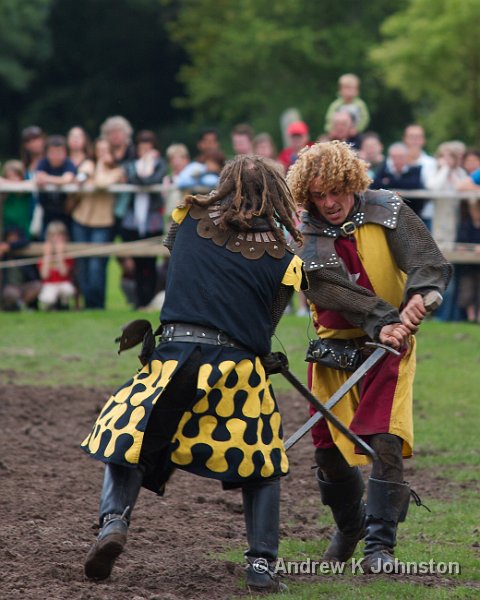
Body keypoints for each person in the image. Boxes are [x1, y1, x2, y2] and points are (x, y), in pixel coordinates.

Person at [81, 155, 307, 593]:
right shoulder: (284, 254)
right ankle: (261, 565)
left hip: (173, 359)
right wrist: (259, 350)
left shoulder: (186, 220)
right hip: (236, 370)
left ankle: (113, 522)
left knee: (129, 436)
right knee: (261, 464)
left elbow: (184, 268)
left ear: (224, 186)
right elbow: (267, 317)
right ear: (277, 194)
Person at [286, 141, 452, 573]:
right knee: (327, 453)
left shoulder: (389, 209)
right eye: (318, 196)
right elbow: (329, 288)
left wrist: (419, 298)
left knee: (384, 438)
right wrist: (383, 318)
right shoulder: (305, 232)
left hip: (389, 348)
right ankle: (350, 526)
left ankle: (380, 548)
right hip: (333, 351)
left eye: (335, 192)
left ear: (351, 182)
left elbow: (428, 263)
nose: (329, 203)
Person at [71, 138, 125, 309]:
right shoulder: (88, 165)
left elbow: (101, 183)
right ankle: (88, 305)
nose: (101, 154)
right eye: (98, 150)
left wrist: (101, 164)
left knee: (96, 265)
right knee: (83, 265)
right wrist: (92, 169)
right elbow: (81, 175)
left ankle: (97, 304)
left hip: (102, 223)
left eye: (105, 150)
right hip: (81, 219)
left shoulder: (117, 171)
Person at [121, 130, 167, 308]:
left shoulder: (159, 164)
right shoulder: (131, 164)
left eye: (149, 148)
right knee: (137, 263)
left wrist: (148, 165)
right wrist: (142, 172)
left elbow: (150, 180)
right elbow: (134, 180)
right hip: (133, 220)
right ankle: (139, 300)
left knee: (150, 262)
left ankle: (149, 299)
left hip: (152, 219)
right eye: (142, 148)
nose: (145, 151)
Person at [36, 135, 77, 237]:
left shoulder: (69, 163)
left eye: (59, 152)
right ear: (47, 153)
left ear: (65, 153)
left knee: (68, 241)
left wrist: (47, 178)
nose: (55, 156)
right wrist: (58, 180)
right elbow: (39, 179)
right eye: (52, 153)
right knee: (43, 239)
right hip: (47, 212)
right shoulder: (43, 163)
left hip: (66, 213)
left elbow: (67, 179)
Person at [38, 220, 76, 310]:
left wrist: (60, 255)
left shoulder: (68, 254)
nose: (57, 239)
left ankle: (64, 305)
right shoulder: (44, 254)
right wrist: (47, 256)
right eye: (53, 236)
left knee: (67, 289)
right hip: (49, 283)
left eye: (60, 235)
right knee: (48, 297)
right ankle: (50, 307)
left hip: (63, 283)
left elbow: (64, 273)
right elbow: (44, 275)